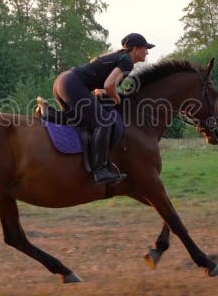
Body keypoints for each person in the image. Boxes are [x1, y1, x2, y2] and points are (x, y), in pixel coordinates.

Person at [50, 33, 154, 184]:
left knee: (80, 119)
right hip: (71, 83)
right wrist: (117, 98)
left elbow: (102, 88)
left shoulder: (121, 58)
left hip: (63, 81)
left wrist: (112, 93)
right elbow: (108, 85)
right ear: (136, 49)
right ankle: (100, 171)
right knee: (104, 121)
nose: (147, 52)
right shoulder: (126, 61)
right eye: (146, 48)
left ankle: (49, 114)